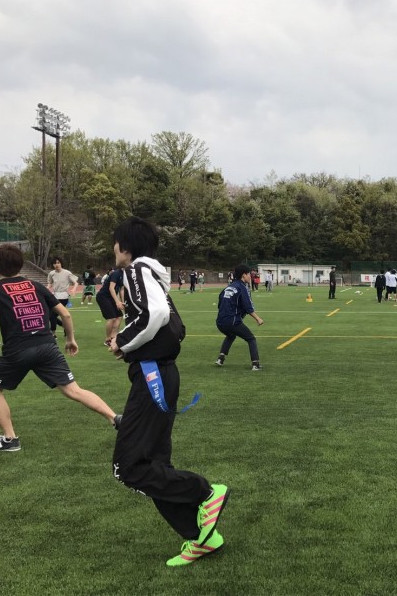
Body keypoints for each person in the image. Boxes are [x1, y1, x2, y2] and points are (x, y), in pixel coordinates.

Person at [109, 217, 229, 567]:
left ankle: (205, 492)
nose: (113, 249)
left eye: (115, 243)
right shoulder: (152, 273)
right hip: (160, 373)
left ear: (126, 246)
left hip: (153, 375)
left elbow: (157, 314)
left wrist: (123, 342)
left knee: (128, 467)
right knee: (154, 465)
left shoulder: (134, 270)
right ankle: (200, 537)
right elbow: (170, 321)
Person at [0, 244, 119, 452]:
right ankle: (115, 418)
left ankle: (10, 439)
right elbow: (65, 314)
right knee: (73, 390)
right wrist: (70, 339)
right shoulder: (36, 286)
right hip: (47, 346)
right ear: (21, 263)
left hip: (18, 350)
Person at [215, 264, 264, 370]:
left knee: (231, 335)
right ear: (243, 275)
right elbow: (248, 307)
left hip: (219, 322)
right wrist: (258, 318)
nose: (250, 276)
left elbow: (220, 304)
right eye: (248, 274)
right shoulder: (242, 288)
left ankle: (220, 358)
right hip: (232, 322)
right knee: (251, 339)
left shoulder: (227, 288)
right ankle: (255, 364)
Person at [47, 257, 78, 335]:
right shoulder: (51, 273)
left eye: (58, 263)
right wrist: (46, 289)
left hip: (64, 297)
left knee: (53, 315)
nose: (56, 265)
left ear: (61, 263)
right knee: (51, 315)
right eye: (54, 263)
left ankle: (53, 333)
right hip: (55, 296)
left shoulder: (67, 273)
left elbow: (76, 282)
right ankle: (64, 327)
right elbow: (50, 283)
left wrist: (73, 289)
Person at [96, 267, 125, 347]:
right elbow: (111, 288)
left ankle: (113, 337)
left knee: (119, 316)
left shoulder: (125, 274)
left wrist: (122, 302)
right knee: (112, 318)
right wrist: (117, 302)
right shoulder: (116, 273)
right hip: (103, 296)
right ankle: (108, 339)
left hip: (111, 297)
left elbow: (121, 289)